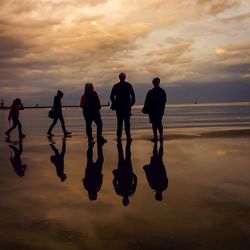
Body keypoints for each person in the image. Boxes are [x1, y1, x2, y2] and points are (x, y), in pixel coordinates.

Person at [110, 73, 135, 141]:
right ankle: (127, 136)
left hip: (122, 107)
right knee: (125, 122)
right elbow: (133, 95)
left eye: (122, 77)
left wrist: (115, 103)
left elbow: (111, 96)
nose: (122, 78)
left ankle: (120, 136)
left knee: (121, 122)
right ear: (124, 77)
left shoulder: (116, 86)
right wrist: (131, 103)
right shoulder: (127, 85)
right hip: (124, 107)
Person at [112, 141, 137, 206]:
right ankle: (122, 143)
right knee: (123, 156)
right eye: (126, 200)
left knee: (124, 156)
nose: (125, 199)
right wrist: (116, 176)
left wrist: (116, 177)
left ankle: (124, 143)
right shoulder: (127, 192)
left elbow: (114, 182)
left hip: (124, 172)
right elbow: (114, 182)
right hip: (125, 172)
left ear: (123, 200)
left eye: (125, 200)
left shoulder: (127, 192)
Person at [142, 78, 167, 142]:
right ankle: (155, 136)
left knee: (159, 123)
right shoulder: (150, 91)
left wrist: (162, 109)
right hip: (152, 110)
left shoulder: (162, 91)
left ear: (158, 83)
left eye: (157, 82)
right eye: (155, 82)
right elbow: (146, 101)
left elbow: (164, 101)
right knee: (154, 124)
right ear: (153, 83)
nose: (156, 83)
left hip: (159, 110)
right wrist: (145, 108)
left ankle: (161, 136)